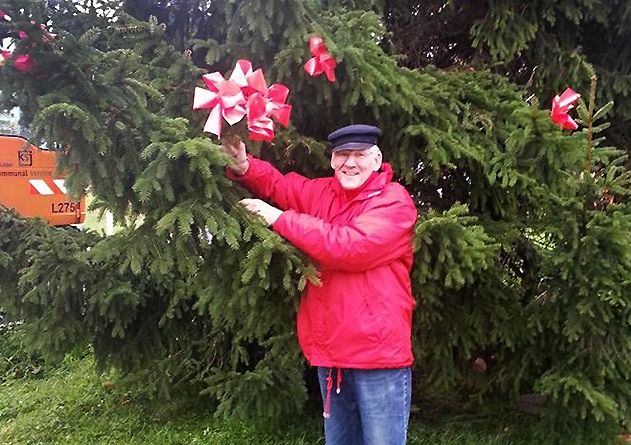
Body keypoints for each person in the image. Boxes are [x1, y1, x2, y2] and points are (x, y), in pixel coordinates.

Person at [222, 124, 417, 445]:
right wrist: (244, 167)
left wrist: (279, 219)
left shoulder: (394, 201)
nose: (349, 163)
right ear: (332, 160)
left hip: (377, 356)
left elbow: (349, 247)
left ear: (377, 158)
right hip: (332, 353)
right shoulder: (322, 192)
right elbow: (281, 186)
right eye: (342, 155)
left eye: (359, 155)